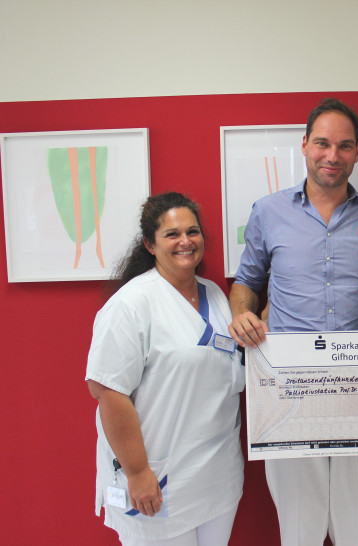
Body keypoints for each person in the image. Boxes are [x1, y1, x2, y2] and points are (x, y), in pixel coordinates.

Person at [228, 97, 358, 546]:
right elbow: (246, 281)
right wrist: (243, 313)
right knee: (299, 528)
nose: (332, 155)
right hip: (288, 386)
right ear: (304, 145)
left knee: (356, 523)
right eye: (322, 143)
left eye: (344, 146)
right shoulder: (267, 212)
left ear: (357, 153)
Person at [86, 193, 245, 546]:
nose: (185, 241)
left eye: (192, 231)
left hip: (217, 476)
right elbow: (109, 393)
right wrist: (138, 472)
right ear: (150, 244)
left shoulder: (216, 295)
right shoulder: (131, 304)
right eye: (172, 234)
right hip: (159, 479)